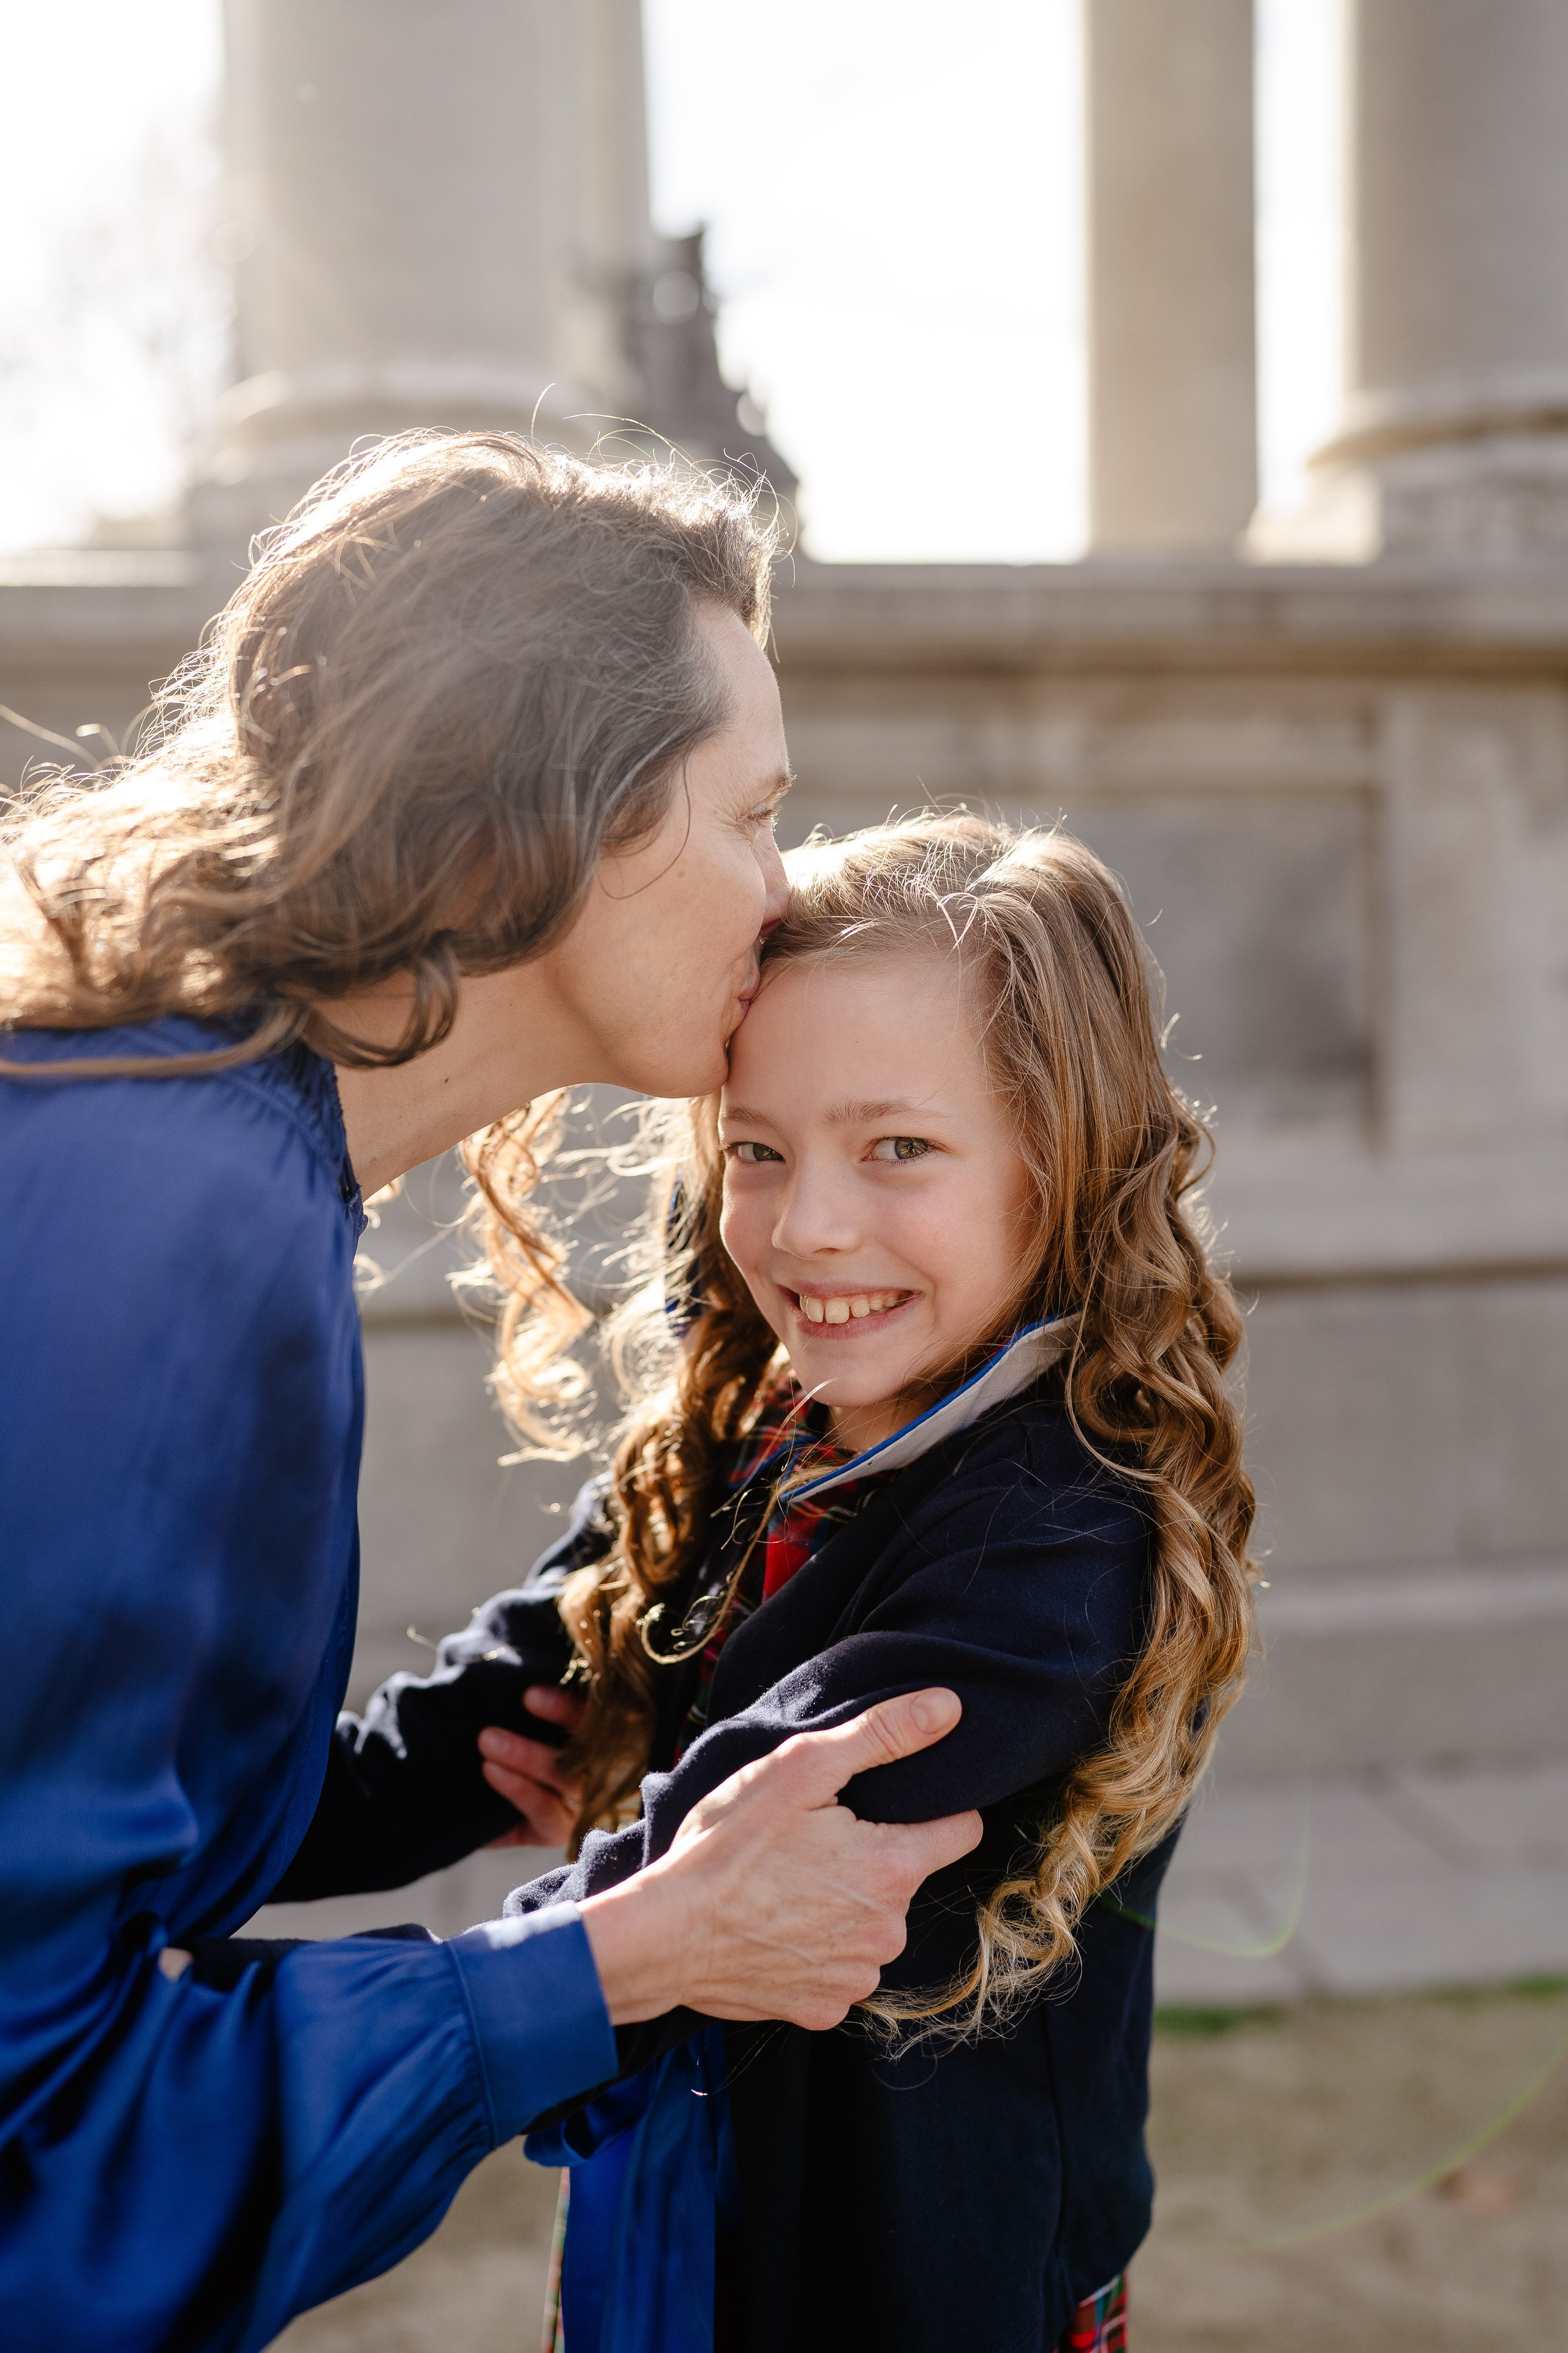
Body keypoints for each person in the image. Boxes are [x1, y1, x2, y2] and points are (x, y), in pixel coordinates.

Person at [0, 435, 982, 2353]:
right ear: (533, 817)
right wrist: (628, 1954)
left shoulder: (198, 1143)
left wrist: (432, 1773)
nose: (781, 900)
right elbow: (38, 2146)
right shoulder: (156, 1220)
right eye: (749, 814)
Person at [335, 814, 1259, 2351]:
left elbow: (697, 1880)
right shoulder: (738, 1442)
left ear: (1065, 1154)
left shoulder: (1052, 1537)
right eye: (759, 1149)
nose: (808, 1223)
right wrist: (110, 1865)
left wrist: (243, 2044)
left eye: (896, 1146)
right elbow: (451, 1743)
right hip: (677, 2219)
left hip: (910, 2287)